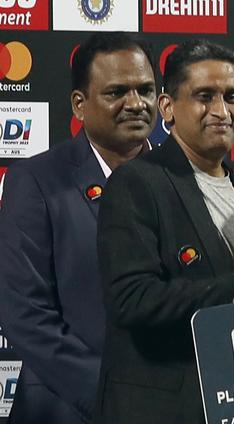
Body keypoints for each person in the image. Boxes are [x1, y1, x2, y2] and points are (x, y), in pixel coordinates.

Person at [92, 40, 234, 424]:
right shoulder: (136, 182)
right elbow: (133, 300)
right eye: (204, 96)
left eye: (232, 97)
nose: (221, 111)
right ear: (167, 108)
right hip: (163, 411)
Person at [0, 32, 157, 424]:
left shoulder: (183, 179)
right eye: (117, 92)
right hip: (70, 409)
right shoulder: (35, 181)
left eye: (146, 90)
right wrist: (109, 396)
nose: (135, 104)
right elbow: (23, 313)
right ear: (79, 105)